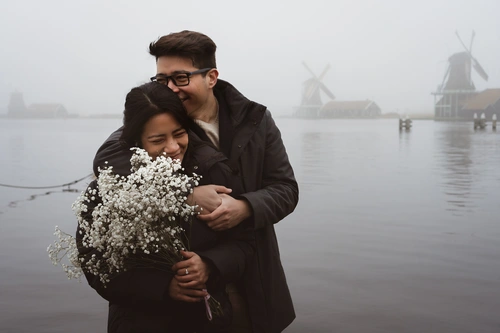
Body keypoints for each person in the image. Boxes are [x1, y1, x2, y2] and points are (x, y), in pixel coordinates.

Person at [94, 30, 299, 333]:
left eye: (180, 78)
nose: (170, 89)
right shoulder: (160, 121)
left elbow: (286, 189)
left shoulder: (256, 119)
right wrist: (185, 194)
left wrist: (245, 206)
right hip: (178, 303)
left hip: (254, 276)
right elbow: (109, 159)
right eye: (161, 80)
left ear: (211, 77)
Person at [78, 82, 255, 333]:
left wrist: (210, 264)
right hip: (139, 323)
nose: (173, 148)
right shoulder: (110, 189)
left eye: (179, 133)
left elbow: (245, 243)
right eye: (158, 139)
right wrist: (163, 286)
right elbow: (96, 266)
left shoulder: (213, 172)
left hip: (208, 323)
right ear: (136, 142)